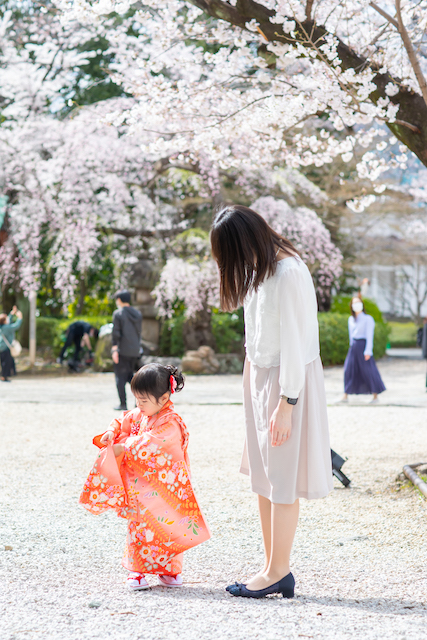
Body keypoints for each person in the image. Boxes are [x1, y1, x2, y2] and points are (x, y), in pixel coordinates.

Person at [210, 205, 333, 600]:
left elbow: (297, 343)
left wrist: (288, 401)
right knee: (264, 478)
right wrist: (251, 385)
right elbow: (257, 333)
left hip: (286, 383)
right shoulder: (259, 271)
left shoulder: (290, 272)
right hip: (261, 378)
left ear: (246, 241)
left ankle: (279, 570)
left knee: (282, 479)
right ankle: (271, 566)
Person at [80, 364, 210, 590]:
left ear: (164, 398)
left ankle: (169, 570)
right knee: (140, 527)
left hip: (167, 487)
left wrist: (123, 448)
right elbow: (122, 420)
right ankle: (137, 571)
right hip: (141, 488)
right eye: (136, 400)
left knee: (170, 528)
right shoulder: (141, 414)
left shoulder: (171, 422)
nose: (138, 406)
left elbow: (150, 444)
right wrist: (112, 431)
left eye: (143, 401)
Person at [342, 296, 386, 404]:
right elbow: (351, 335)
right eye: (354, 303)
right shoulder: (351, 319)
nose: (356, 305)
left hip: (363, 346)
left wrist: (368, 350)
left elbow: (369, 335)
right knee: (348, 370)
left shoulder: (368, 319)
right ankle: (345, 395)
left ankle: (375, 396)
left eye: (358, 302)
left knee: (368, 371)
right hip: (354, 347)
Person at [112, 290, 142, 411]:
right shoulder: (137, 314)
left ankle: (123, 404)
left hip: (123, 350)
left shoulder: (118, 314)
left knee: (120, 377)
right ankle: (140, 398)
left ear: (119, 300)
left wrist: (114, 350)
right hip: (135, 350)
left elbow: (116, 333)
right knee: (130, 376)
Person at [0, 305, 23, 382]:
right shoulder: (7, 328)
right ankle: (4, 376)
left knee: (4, 361)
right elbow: (16, 326)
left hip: (1, 346)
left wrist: (12, 313)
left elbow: (8, 320)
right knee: (6, 362)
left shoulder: (2, 326)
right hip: (5, 347)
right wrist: (20, 318)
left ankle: (5, 375)